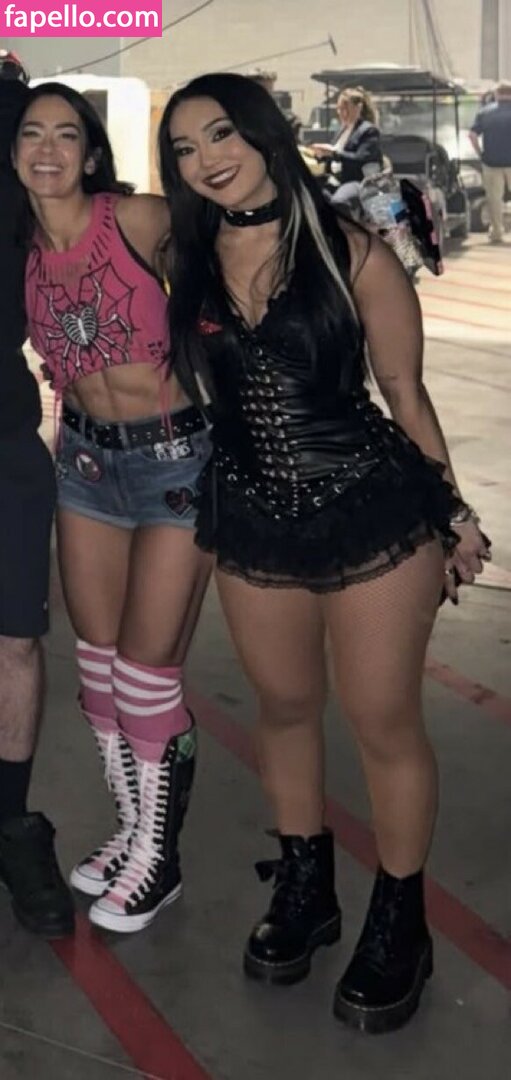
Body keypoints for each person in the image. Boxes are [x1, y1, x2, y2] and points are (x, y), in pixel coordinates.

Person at [158, 73, 490, 1033]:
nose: (206, 159)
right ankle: (307, 886)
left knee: (381, 717)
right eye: (184, 149)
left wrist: (453, 514)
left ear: (263, 133)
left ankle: (400, 920)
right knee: (285, 708)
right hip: (253, 516)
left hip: (369, 509)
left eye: (221, 134)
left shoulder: (352, 252)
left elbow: (404, 394)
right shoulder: (188, 253)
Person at [12, 81, 212, 935]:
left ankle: (159, 858)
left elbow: (239, 242)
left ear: (92, 153)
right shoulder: (19, 250)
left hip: (175, 459)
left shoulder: (135, 219)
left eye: (67, 134)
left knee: (144, 673)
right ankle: (134, 832)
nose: (48, 149)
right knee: (98, 672)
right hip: (85, 464)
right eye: (31, 133)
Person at [0, 53, 75, 939]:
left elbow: (94, 217)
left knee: (15, 640)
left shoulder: (17, 118)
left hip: (4, 440)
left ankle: (12, 825)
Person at [309, 86, 383, 208]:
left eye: (346, 108)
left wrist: (333, 153)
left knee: (338, 202)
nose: (341, 113)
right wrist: (320, 154)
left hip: (357, 181)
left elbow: (361, 159)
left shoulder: (368, 131)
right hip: (334, 179)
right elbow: (333, 156)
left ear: (358, 107)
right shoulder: (342, 130)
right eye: (339, 109)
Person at [470, 81, 511, 243]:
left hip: (491, 162)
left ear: (496, 94)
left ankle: (497, 232)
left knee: (494, 199)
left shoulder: (485, 112)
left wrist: (481, 154)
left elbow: (472, 135)